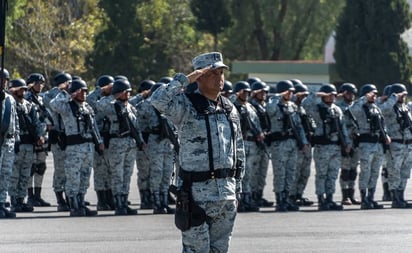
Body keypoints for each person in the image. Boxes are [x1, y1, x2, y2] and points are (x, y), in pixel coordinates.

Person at [151, 52, 245, 253]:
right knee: (196, 250)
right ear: (200, 76)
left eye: (221, 73)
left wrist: (237, 188)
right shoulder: (186, 105)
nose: (219, 78)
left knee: (220, 250)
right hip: (196, 194)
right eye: (212, 73)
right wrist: (185, 80)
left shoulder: (229, 108)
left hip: (226, 193)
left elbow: (238, 150)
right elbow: (158, 101)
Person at [50, 79, 102, 217]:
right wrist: (67, 94)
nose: (84, 94)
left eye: (85, 91)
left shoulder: (87, 107)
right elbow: (53, 104)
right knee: (73, 177)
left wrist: (99, 141)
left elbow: (93, 126)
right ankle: (74, 206)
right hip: (74, 147)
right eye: (80, 91)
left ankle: (81, 203)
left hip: (88, 146)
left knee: (85, 177)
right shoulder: (67, 107)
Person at [302, 83, 351, 211]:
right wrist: (317, 94)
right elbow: (305, 105)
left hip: (335, 147)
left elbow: (342, 128)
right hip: (322, 147)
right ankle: (321, 199)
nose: (331, 98)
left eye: (333, 95)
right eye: (328, 95)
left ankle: (330, 198)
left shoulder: (337, 109)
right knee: (322, 174)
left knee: (333, 174)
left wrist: (346, 143)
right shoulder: (317, 109)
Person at [97, 78, 141, 215]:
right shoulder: (111, 105)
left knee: (127, 175)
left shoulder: (131, 107)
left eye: (128, 92)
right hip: (117, 143)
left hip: (130, 144)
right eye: (124, 92)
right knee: (117, 175)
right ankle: (118, 204)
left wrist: (140, 140)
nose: (127, 94)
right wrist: (113, 95)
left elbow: (136, 126)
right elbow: (98, 105)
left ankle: (124, 201)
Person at [266, 80, 309, 212]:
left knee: (291, 173)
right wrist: (277, 96)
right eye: (288, 92)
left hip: (292, 144)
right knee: (280, 173)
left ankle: (287, 198)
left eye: (291, 92)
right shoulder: (274, 104)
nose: (290, 94)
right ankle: (280, 200)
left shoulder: (293, 106)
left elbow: (298, 126)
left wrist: (303, 141)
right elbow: (269, 110)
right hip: (279, 144)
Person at [135, 82, 176, 214]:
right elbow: (137, 125)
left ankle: (164, 201)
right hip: (155, 140)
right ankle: (156, 203)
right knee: (156, 172)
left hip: (168, 142)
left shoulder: (170, 105)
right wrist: (142, 139)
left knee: (167, 173)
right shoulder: (145, 105)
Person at [349, 84, 390, 209]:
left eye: (375, 94)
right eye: (372, 93)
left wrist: (386, 135)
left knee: (375, 172)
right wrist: (364, 98)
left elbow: (381, 124)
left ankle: (371, 198)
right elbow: (352, 110)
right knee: (365, 171)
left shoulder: (376, 108)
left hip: (378, 143)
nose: (374, 96)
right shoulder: (360, 107)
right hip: (366, 143)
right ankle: (364, 198)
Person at [9, 79, 45, 213]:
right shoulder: (9, 103)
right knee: (14, 174)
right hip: (17, 144)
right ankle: (13, 201)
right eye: (19, 89)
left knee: (25, 174)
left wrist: (40, 135)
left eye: (24, 89)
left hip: (29, 144)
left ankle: (21, 200)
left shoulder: (29, 106)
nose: (22, 92)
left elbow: (36, 123)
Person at [42, 72, 72, 212]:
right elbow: (47, 100)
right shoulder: (52, 96)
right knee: (60, 169)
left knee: (71, 170)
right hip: (58, 136)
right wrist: (60, 89)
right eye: (67, 83)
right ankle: (60, 198)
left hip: (70, 136)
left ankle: (70, 196)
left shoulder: (70, 95)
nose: (69, 86)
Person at [379, 83, 412, 208]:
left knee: (404, 173)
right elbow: (381, 109)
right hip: (396, 144)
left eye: (404, 95)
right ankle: (395, 198)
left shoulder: (406, 108)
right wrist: (393, 97)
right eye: (401, 94)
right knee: (394, 172)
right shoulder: (389, 108)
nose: (403, 97)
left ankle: (401, 196)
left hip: (408, 145)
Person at [232, 80, 262, 212]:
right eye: (243, 92)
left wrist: (260, 134)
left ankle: (248, 199)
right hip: (240, 142)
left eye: (248, 92)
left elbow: (256, 124)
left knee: (251, 173)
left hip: (252, 143)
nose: (246, 94)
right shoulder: (232, 106)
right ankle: (240, 200)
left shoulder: (250, 107)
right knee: (241, 173)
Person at [86, 74, 115, 211]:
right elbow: (89, 101)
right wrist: (100, 90)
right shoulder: (93, 98)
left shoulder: (111, 99)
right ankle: (101, 200)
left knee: (109, 171)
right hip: (98, 138)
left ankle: (110, 198)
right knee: (99, 171)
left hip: (109, 137)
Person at [25, 73, 51, 207]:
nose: (40, 85)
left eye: (42, 83)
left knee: (41, 166)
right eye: (38, 83)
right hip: (32, 137)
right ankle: (30, 196)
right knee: (31, 166)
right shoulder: (27, 98)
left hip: (43, 137)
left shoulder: (41, 98)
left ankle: (38, 195)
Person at [129, 79, 155, 209]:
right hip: (142, 141)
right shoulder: (137, 104)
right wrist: (143, 95)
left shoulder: (154, 104)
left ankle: (152, 197)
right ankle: (144, 198)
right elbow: (129, 103)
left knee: (153, 171)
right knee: (144, 171)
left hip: (154, 140)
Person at [289, 80, 314, 206]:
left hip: (307, 144)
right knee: (295, 171)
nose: (303, 97)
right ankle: (291, 196)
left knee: (305, 172)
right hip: (297, 145)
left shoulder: (303, 108)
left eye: (304, 96)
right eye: (301, 95)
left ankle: (299, 194)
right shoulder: (290, 107)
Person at [249, 80, 274, 207]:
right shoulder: (251, 106)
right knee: (254, 172)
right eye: (261, 92)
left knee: (263, 172)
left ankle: (259, 195)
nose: (264, 94)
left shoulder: (266, 106)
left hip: (265, 142)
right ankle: (252, 196)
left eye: (265, 91)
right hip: (255, 143)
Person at [336, 83, 361, 206]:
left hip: (356, 141)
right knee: (345, 170)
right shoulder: (338, 106)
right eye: (348, 93)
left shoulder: (357, 106)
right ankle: (345, 196)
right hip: (345, 141)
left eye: (352, 93)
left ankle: (352, 194)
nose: (351, 95)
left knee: (353, 170)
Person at [0, 68, 18, 218]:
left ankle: (1, 203)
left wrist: (16, 138)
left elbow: (15, 120)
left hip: (9, 141)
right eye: (2, 79)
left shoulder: (10, 99)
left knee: (5, 174)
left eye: (5, 80)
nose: (3, 82)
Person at [377, 84, 392, 201]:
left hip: (399, 141)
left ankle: (395, 192)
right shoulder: (381, 106)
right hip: (385, 141)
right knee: (386, 168)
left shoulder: (402, 107)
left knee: (397, 169)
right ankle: (387, 192)